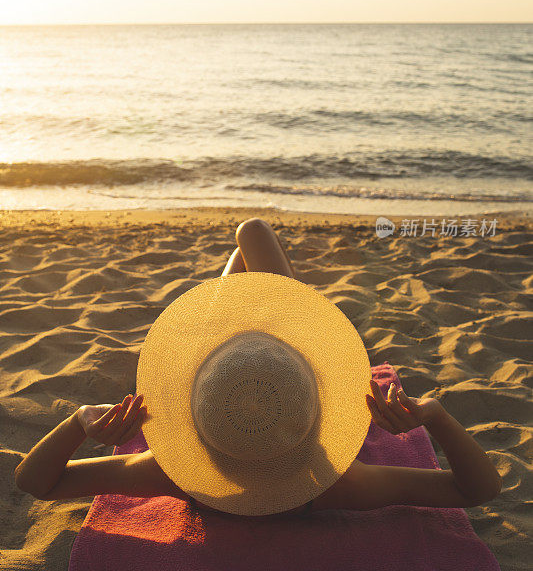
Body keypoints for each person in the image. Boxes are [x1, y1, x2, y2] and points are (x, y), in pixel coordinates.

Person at [14, 218, 502, 514]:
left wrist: (79, 420)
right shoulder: (337, 488)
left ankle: (236, 299)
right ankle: (240, 298)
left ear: (199, 432)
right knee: (252, 234)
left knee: (244, 248)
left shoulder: (174, 477)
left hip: (237, 369)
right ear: (313, 429)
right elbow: (476, 490)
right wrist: (434, 414)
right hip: (256, 369)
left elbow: (36, 482)